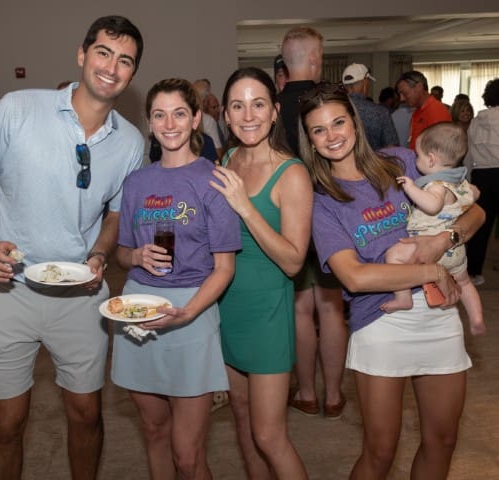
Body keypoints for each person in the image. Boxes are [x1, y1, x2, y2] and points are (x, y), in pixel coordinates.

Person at [0, 15, 145, 479]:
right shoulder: (18, 108)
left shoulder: (131, 143)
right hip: (6, 290)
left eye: (125, 61)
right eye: (103, 52)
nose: (111, 67)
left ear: (132, 73)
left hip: (79, 294)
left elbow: (116, 214)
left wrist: (99, 254)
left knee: (87, 414)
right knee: (6, 423)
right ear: (81, 54)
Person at [298, 82, 484, 479]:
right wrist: (430, 269)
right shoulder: (323, 202)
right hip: (380, 320)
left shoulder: (401, 162)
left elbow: (476, 213)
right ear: (310, 141)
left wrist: (444, 240)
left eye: (338, 122)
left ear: (355, 122)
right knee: (381, 452)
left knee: (443, 439)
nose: (332, 136)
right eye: (319, 130)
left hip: (439, 311)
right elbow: (354, 277)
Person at [110, 78, 241, 479]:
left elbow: (224, 268)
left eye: (179, 113)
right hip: (137, 311)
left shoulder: (214, 180)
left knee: (187, 454)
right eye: (159, 115)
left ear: (196, 119)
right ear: (149, 122)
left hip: (192, 311)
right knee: (154, 432)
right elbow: (121, 254)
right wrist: (135, 255)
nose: (169, 124)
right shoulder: (136, 182)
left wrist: (187, 313)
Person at [210, 66, 312, 479]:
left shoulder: (293, 173)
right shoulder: (228, 158)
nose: (248, 115)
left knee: (269, 436)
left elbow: (293, 261)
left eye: (258, 104)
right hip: (225, 306)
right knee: (240, 413)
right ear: (225, 115)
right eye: (237, 106)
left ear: (274, 112)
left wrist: (245, 206)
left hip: (267, 313)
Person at [280, 26, 347, 419]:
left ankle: (306, 393)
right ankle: (334, 396)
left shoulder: (270, 108)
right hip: (330, 214)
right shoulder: (328, 104)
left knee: (300, 310)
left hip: (286, 222)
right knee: (332, 308)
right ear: (315, 58)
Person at [382, 122, 485, 335]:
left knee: (393, 256)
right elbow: (475, 194)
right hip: (455, 250)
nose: (416, 160)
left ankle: (403, 298)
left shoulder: (436, 185)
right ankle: (476, 318)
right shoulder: (461, 183)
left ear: (431, 159)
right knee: (465, 283)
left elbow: (432, 205)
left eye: (418, 156)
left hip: (430, 248)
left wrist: (411, 187)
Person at [465, 78, 499, 286]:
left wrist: (469, 179)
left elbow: (469, 154)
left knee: (480, 225)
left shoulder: (476, 121)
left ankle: (473, 272)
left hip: (481, 176)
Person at [342, 63, 399, 150]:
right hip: (376, 158)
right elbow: (392, 148)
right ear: (365, 82)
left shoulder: (335, 110)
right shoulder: (380, 112)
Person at [396, 71, 452, 150]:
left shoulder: (436, 111)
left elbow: (439, 150)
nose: (401, 99)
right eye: (400, 94)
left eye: (404, 93)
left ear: (419, 87)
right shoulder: (418, 111)